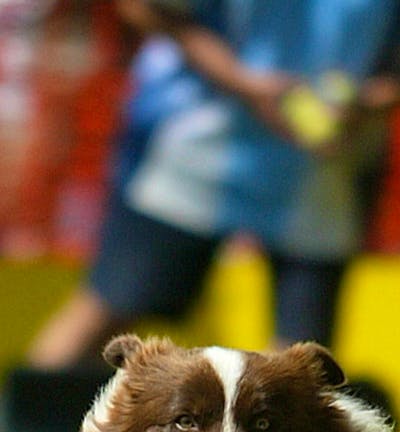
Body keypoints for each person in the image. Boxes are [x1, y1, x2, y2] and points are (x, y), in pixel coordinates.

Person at [27, 0, 400, 368]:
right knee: (104, 315)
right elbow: (143, 7)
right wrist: (242, 82)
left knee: (301, 365)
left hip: (322, 176)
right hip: (193, 151)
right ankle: (19, 424)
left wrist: (370, 102)